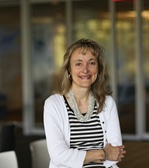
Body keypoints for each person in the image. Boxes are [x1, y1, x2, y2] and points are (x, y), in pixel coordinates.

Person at [43, 38, 126, 168]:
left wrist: (77, 156)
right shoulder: (53, 104)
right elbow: (58, 155)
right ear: (69, 70)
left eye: (91, 63)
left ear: (98, 69)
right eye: (78, 64)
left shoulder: (107, 103)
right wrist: (103, 153)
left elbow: (116, 153)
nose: (85, 70)